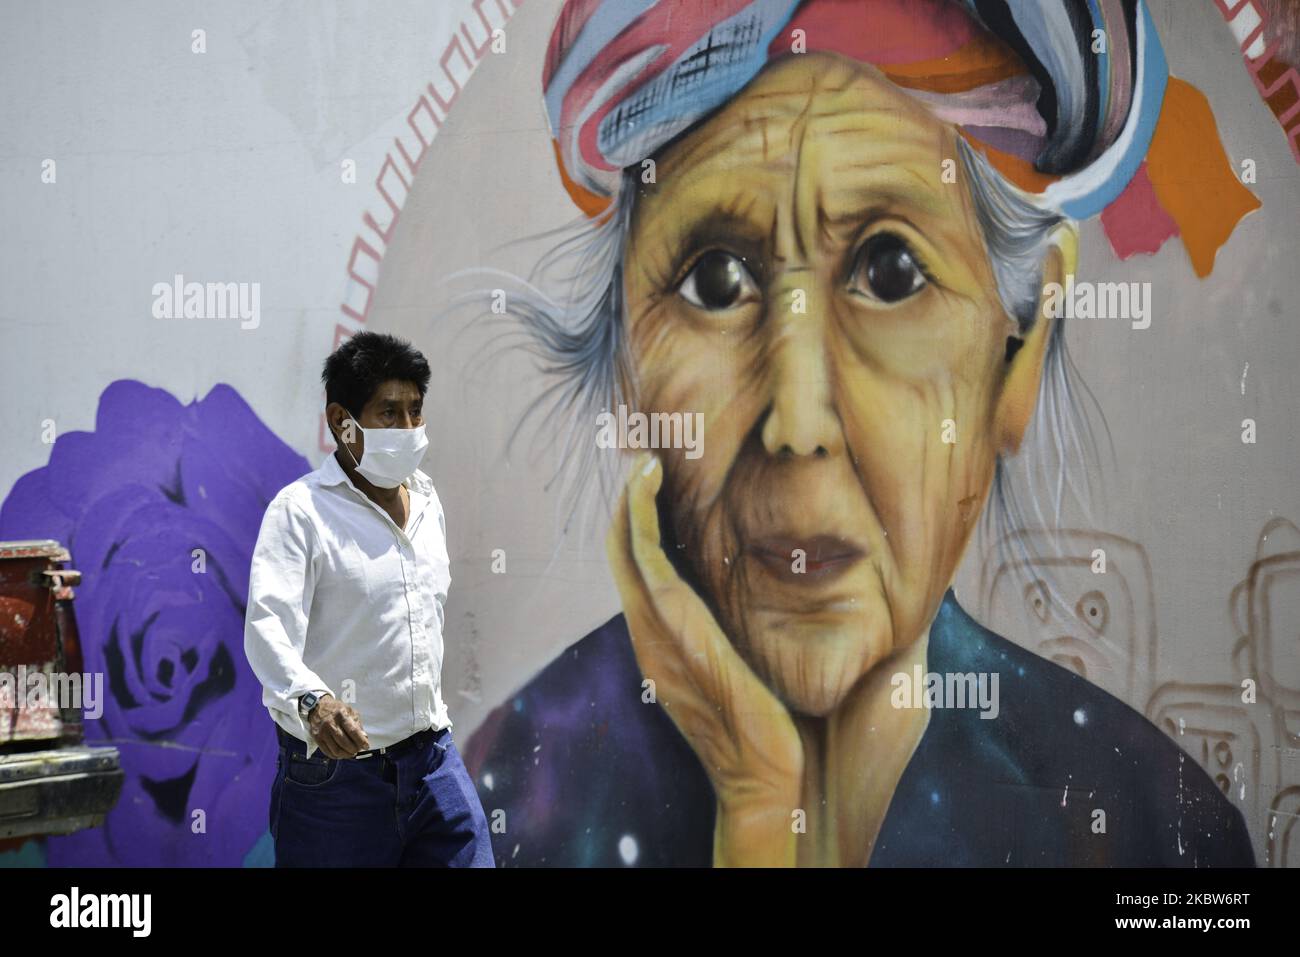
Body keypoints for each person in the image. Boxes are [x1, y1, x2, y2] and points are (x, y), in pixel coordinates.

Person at [462, 0, 1260, 866]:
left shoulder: (1153, 828)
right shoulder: (513, 801)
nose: (798, 422)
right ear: (627, 365)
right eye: (715, 280)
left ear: (1019, 350)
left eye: (891, 271)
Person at [244, 331, 493, 867]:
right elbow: (267, 631)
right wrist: (314, 703)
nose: (407, 429)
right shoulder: (301, 512)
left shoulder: (427, 501)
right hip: (337, 784)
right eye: (389, 413)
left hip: (433, 763)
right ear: (341, 421)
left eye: (415, 412)